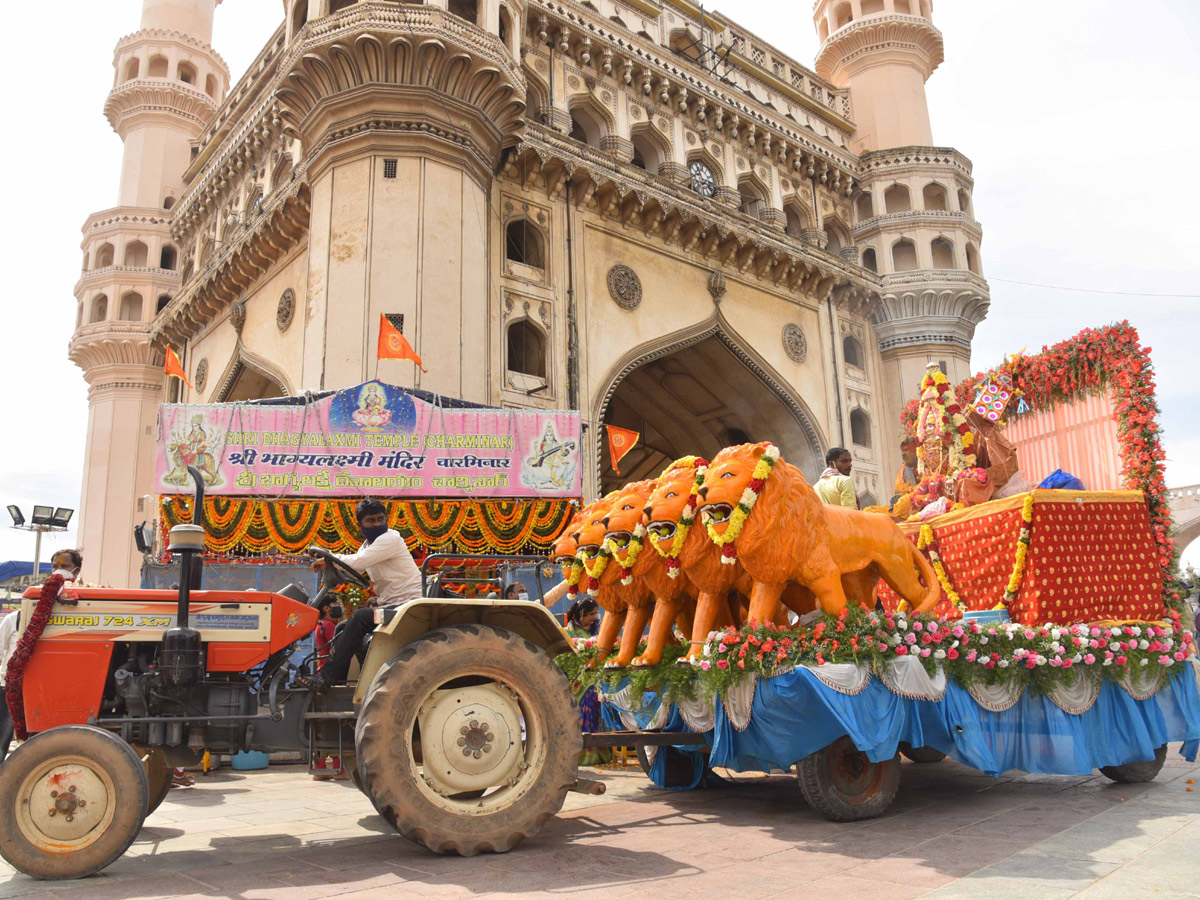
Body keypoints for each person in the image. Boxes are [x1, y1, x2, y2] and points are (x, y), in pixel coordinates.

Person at [296, 498, 422, 693]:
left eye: (380, 519)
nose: (377, 524)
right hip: (391, 605)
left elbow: (357, 561)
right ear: (360, 524)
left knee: (360, 618)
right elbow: (356, 564)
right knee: (342, 627)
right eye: (371, 520)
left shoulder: (390, 539)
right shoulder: (367, 547)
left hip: (407, 606)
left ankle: (325, 678)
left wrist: (329, 559)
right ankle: (336, 683)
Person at [564, 598, 611, 766]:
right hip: (577, 680)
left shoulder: (599, 630)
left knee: (599, 708)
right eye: (590, 614)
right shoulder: (569, 632)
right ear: (581, 614)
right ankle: (584, 754)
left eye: (595, 613)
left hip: (597, 676)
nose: (594, 617)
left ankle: (601, 753)